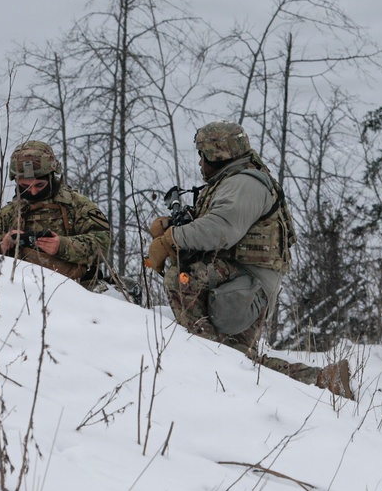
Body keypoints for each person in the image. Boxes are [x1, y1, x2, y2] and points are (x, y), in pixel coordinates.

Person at [146, 120, 354, 399]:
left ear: (217, 155)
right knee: (238, 358)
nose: (199, 162)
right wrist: (175, 223)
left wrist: (171, 239)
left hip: (247, 283)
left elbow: (221, 230)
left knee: (184, 279)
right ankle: (322, 380)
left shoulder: (244, 183)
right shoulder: (236, 179)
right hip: (241, 279)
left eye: (202, 155)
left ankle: (199, 350)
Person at [0, 140, 112, 289]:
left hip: (77, 288)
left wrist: (62, 246)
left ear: (51, 176)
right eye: (25, 186)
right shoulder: (8, 215)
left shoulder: (77, 205)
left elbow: (102, 244)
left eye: (39, 185)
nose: (33, 192)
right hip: (21, 289)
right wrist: (3, 247)